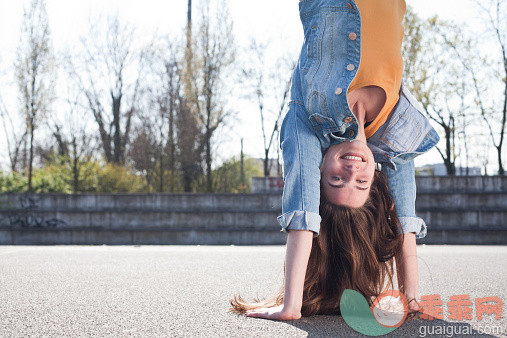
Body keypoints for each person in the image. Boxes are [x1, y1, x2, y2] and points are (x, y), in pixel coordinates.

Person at [229, 0, 439, 320]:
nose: (352, 169)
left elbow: (302, 202)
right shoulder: (397, 135)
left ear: (320, 169)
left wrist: (292, 306)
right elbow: (405, 219)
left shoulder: (309, 120)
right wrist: (411, 298)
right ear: (375, 180)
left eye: (336, 179)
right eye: (361, 182)